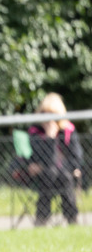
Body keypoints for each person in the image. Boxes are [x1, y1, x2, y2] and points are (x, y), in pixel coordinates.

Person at [26, 92, 82, 225]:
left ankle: (70, 219)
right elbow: (43, 160)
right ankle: (43, 219)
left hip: (65, 174)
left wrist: (66, 168)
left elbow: (76, 158)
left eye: (52, 115)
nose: (48, 120)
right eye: (44, 114)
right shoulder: (35, 132)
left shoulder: (68, 131)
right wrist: (50, 138)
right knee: (50, 173)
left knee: (63, 176)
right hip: (42, 177)